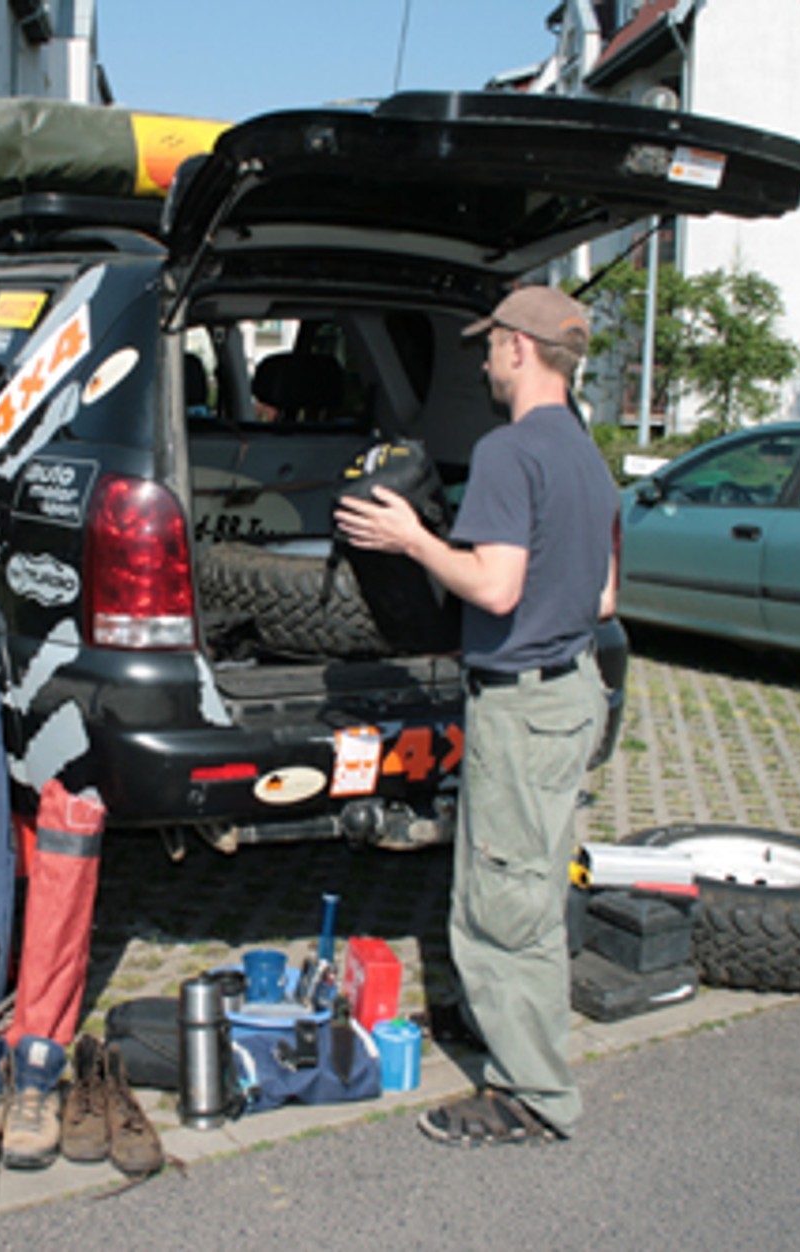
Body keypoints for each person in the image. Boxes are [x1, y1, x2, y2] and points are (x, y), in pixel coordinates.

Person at [334, 285, 617, 1145]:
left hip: (523, 706)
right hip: (572, 693)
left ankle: (530, 1092)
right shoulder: (587, 456)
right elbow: (605, 595)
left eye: (491, 344)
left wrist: (414, 540)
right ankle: (500, 1025)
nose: (486, 359)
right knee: (525, 876)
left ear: (523, 350)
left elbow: (494, 584)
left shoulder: (507, 451)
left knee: (505, 898)